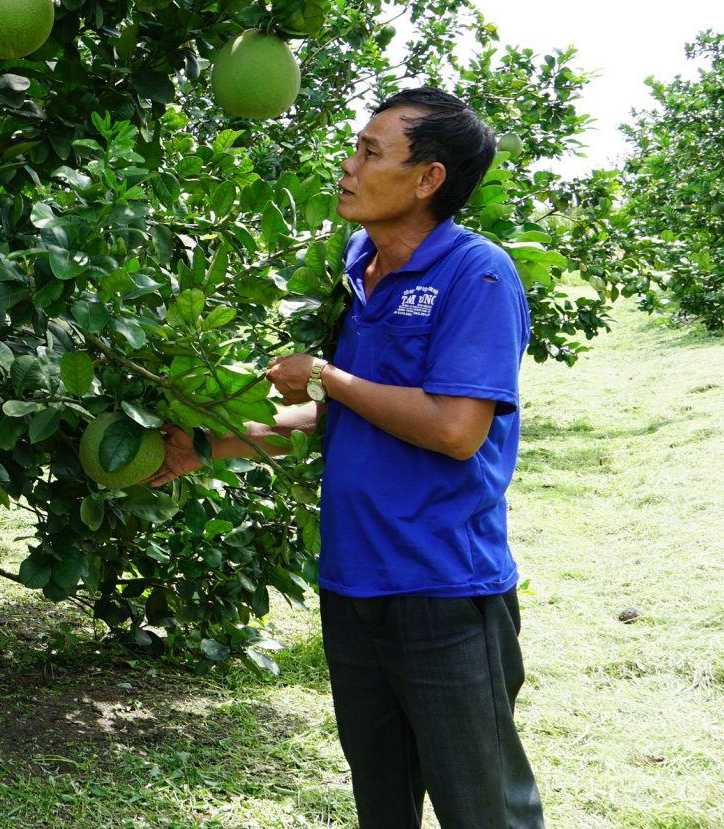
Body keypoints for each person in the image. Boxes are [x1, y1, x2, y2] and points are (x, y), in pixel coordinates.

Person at [153, 87, 542, 828]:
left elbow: (457, 427)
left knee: (484, 807)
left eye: (370, 152)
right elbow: (345, 416)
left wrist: (327, 372)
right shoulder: (361, 265)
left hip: (443, 589)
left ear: (428, 178)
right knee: (383, 802)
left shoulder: (476, 274)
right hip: (355, 581)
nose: (349, 164)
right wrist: (205, 446)